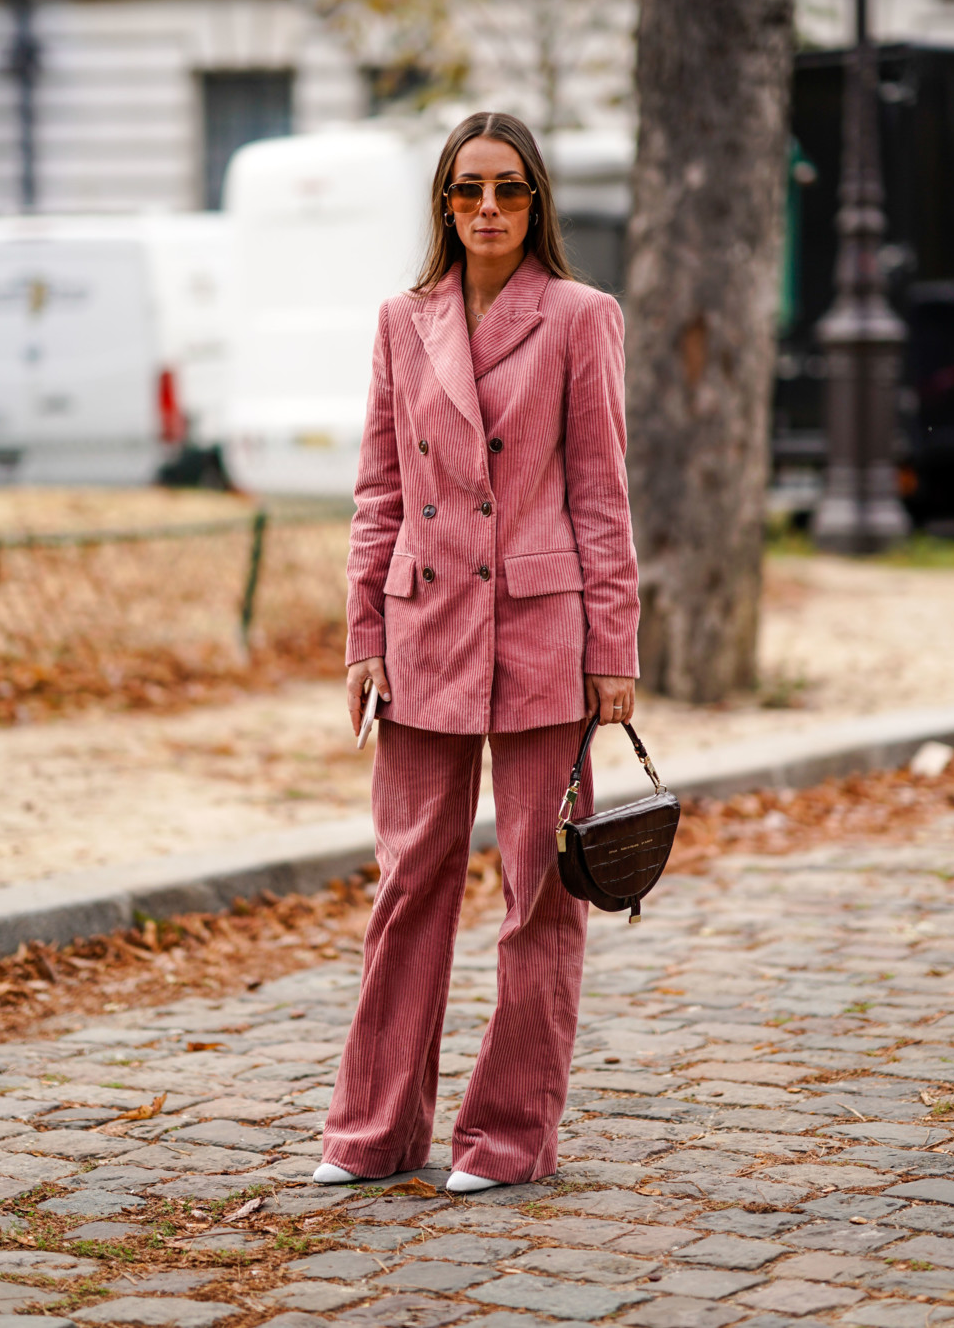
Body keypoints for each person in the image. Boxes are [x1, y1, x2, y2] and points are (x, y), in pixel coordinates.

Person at [314, 110, 640, 1194]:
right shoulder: (401, 321)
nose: (487, 207)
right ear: (445, 204)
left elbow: (600, 493)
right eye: (468, 189)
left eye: (507, 188)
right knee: (410, 881)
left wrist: (614, 645)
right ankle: (373, 1131)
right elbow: (379, 491)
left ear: (536, 200)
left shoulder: (581, 316)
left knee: (540, 891)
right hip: (423, 628)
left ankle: (508, 1137)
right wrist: (363, 634)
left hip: (545, 631)